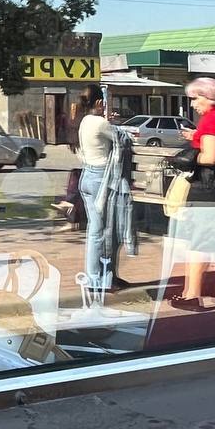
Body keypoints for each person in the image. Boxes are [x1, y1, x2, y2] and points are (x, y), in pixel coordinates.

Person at [170, 77, 215, 311]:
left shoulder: (210, 120)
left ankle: (192, 295)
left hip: (206, 184)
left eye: (196, 99)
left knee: (199, 241)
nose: (193, 104)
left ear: (209, 98)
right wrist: (196, 136)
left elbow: (211, 156)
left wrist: (189, 157)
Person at [78, 97, 135, 294]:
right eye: (103, 102)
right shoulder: (100, 123)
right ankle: (98, 279)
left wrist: (111, 122)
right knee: (103, 231)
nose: (105, 106)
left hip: (87, 175)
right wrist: (115, 125)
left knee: (97, 230)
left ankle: (103, 277)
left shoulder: (85, 120)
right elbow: (123, 139)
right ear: (97, 102)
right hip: (101, 178)